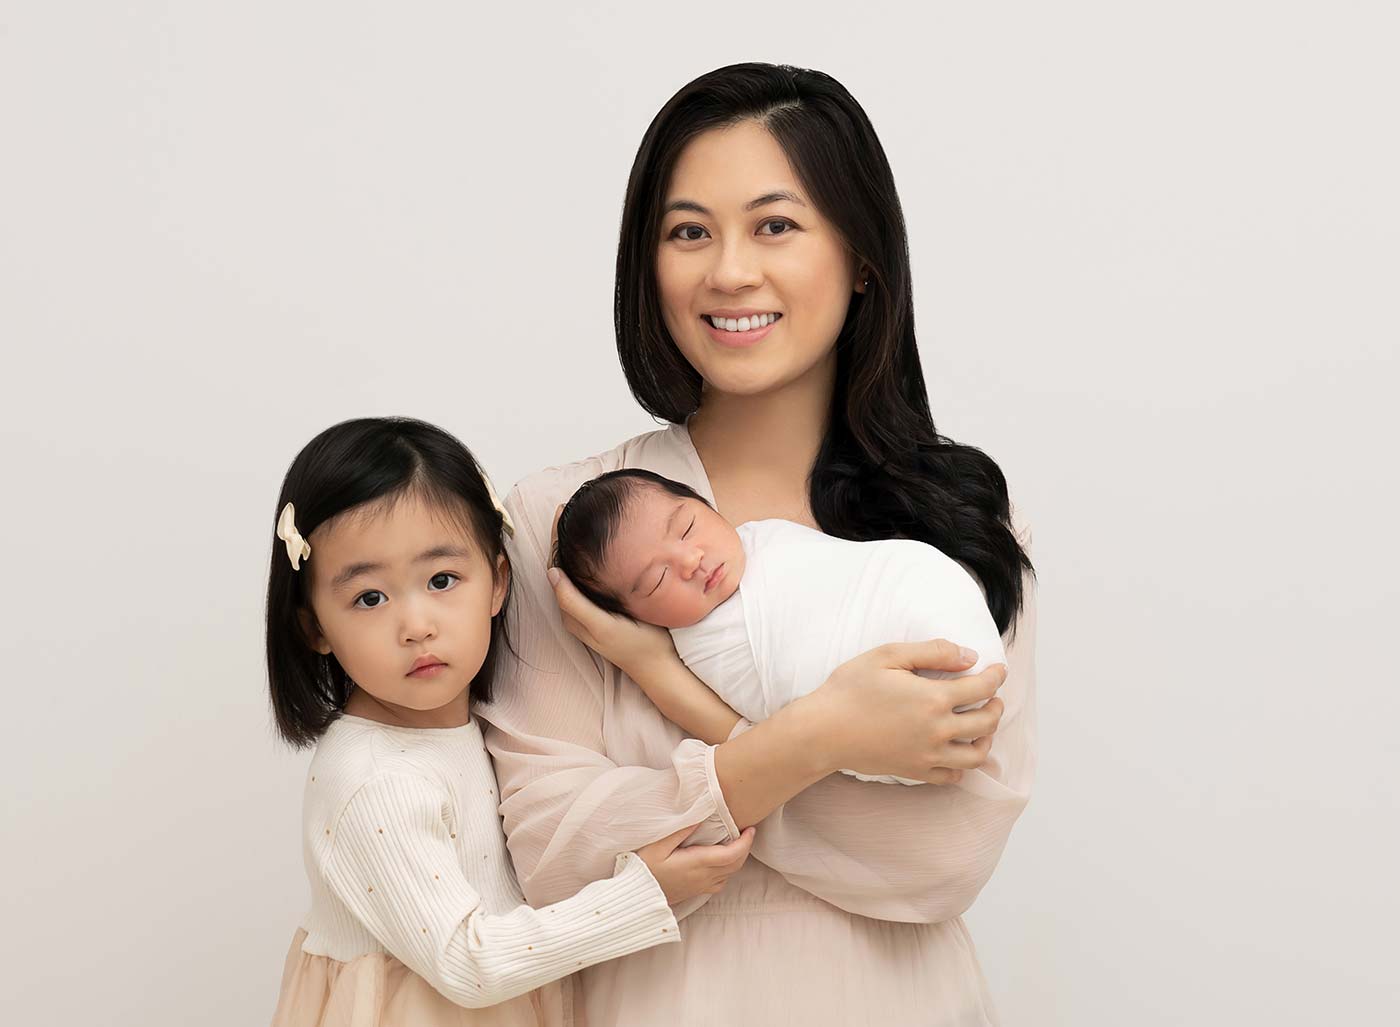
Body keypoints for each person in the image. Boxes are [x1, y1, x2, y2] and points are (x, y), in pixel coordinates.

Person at [478, 63, 1037, 1025]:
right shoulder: (562, 524)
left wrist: (672, 693)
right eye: (689, 231)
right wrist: (825, 736)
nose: (729, 270)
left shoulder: (957, 515)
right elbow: (553, 851)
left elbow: (944, 859)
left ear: (861, 253)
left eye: (775, 225)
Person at [264, 417, 756, 1027]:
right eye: (370, 597)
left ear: (498, 582)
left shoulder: (478, 733)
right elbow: (471, 965)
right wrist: (645, 890)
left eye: (441, 580)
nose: (416, 624)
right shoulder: (371, 779)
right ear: (314, 626)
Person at [551, 468, 1006, 785]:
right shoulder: (705, 649)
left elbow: (850, 577)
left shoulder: (765, 536)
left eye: (687, 527)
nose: (691, 562)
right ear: (636, 619)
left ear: (705, 503)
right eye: (657, 580)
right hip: (901, 720)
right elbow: (765, 726)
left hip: (930, 607)